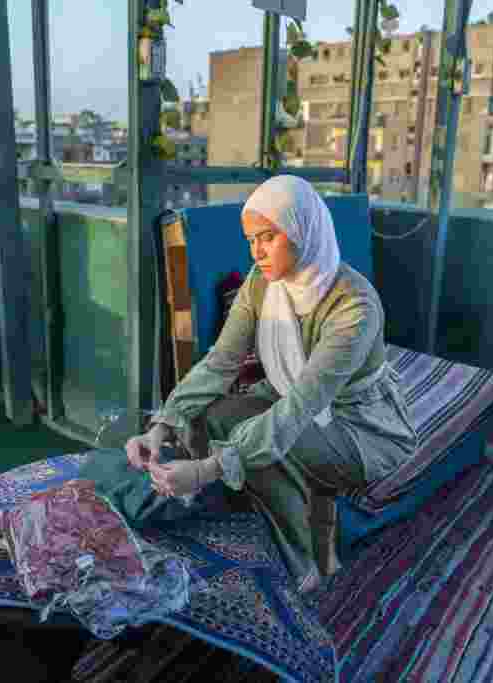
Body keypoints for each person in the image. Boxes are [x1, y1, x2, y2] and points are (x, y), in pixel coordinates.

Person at [128, 175, 418, 593]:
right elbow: (221, 362)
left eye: (268, 237)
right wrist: (162, 425)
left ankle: (301, 565)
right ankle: (243, 510)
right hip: (290, 393)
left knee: (265, 446)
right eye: (250, 239)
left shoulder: (355, 306)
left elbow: (298, 408)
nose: (256, 251)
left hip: (358, 424)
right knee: (210, 415)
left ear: (302, 231)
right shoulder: (263, 283)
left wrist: (208, 468)